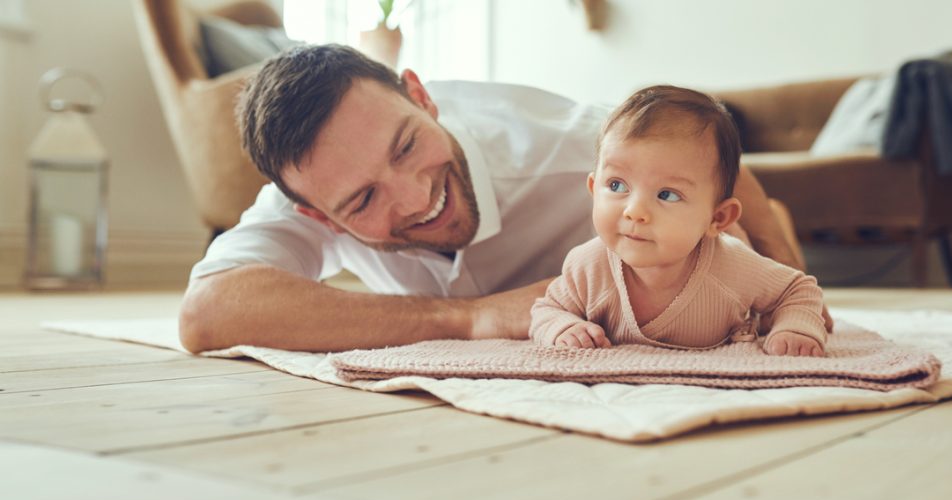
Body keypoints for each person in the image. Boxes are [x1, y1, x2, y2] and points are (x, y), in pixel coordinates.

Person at [178, 44, 807, 353]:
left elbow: (704, 161)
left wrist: (786, 270)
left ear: (421, 97)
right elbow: (207, 312)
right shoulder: (310, 190)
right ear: (317, 214)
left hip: (669, 250)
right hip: (581, 297)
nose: (417, 195)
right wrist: (465, 318)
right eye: (365, 199)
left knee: (736, 252)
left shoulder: (566, 145)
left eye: (405, 146)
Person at [529, 85, 828, 356]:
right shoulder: (587, 266)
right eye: (617, 185)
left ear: (717, 217)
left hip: (729, 244)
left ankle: (770, 218)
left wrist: (795, 328)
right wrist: (562, 327)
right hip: (709, 231)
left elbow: (797, 290)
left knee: (749, 252)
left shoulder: (735, 267)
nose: (634, 211)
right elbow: (547, 310)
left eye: (667, 195)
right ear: (594, 190)